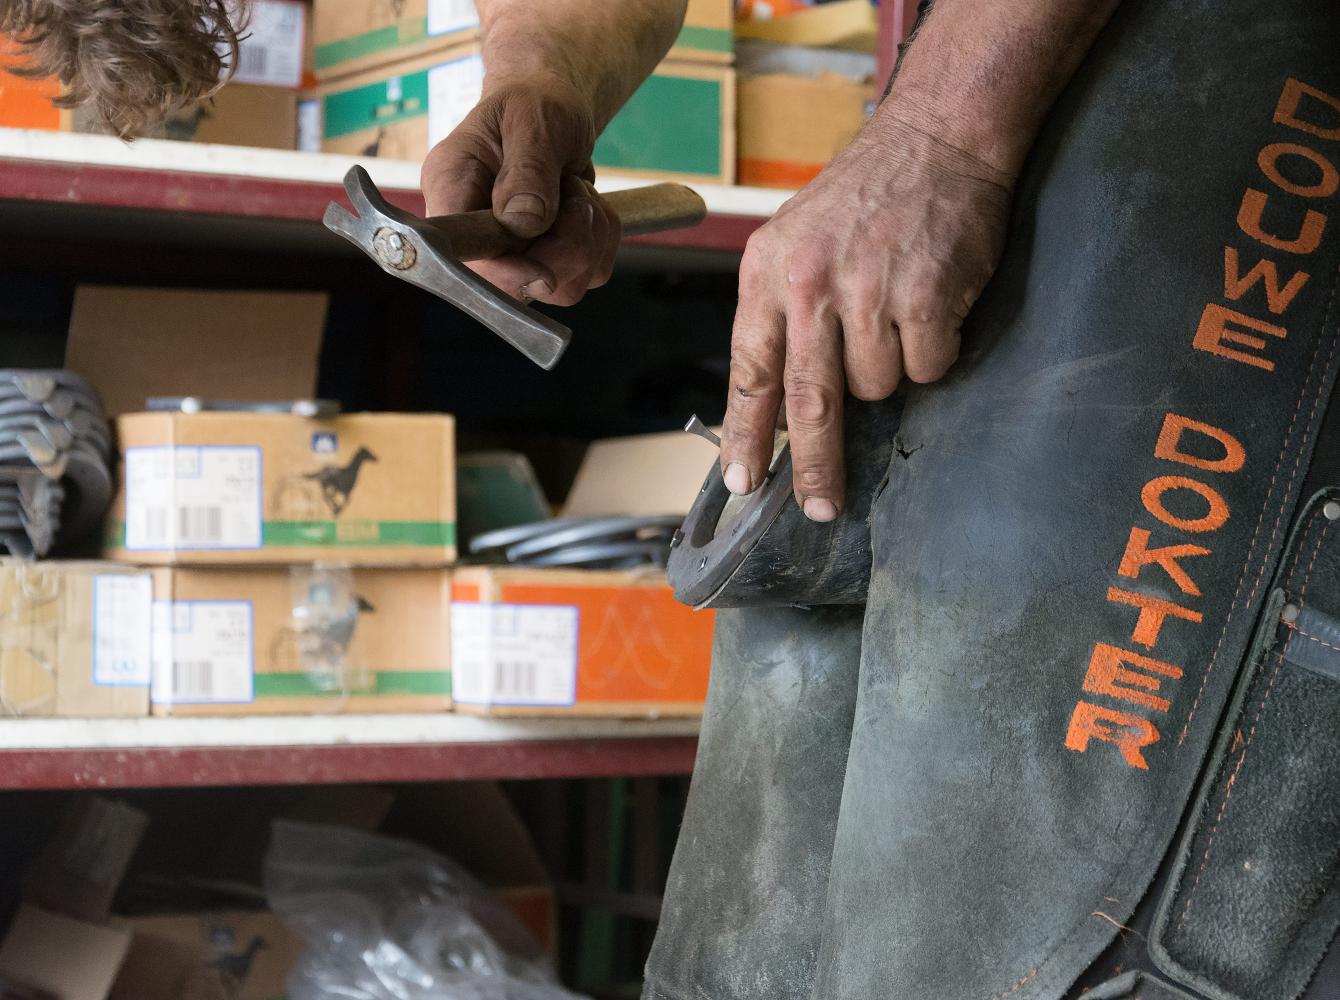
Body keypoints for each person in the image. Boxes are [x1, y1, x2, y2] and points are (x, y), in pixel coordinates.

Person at [5, 2, 1339, 998]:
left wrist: (943, 130)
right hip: (1002, 126)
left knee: (1047, 936)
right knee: (737, 959)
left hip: (1234, 127)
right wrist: (547, 78)